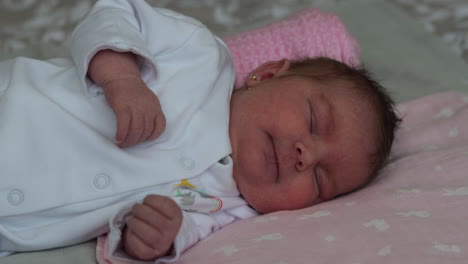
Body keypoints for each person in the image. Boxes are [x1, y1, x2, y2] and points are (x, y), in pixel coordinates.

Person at [0, 0, 400, 263]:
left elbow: (175, 234)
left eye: (320, 178)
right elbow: (116, 12)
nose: (305, 155)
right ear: (266, 74)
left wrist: (154, 237)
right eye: (314, 121)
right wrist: (122, 78)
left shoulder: (230, 209)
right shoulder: (199, 58)